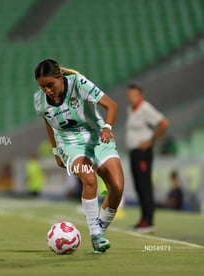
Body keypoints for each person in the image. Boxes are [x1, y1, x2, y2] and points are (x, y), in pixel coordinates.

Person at [34, 59, 124, 253]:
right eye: (42, 86)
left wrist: (108, 128)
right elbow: (48, 122)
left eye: (50, 85)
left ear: (60, 77)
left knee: (116, 187)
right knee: (89, 179)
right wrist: (56, 150)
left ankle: (99, 230)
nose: (47, 90)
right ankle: (95, 235)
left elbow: (112, 105)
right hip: (71, 145)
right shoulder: (39, 100)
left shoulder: (78, 83)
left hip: (99, 138)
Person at [126, 84, 169, 232]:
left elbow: (163, 123)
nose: (131, 97)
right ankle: (144, 219)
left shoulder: (145, 108)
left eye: (134, 95)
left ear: (140, 96)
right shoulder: (130, 109)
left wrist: (151, 141)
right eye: (129, 95)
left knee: (145, 186)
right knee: (139, 186)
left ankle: (149, 221)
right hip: (134, 152)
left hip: (143, 153)